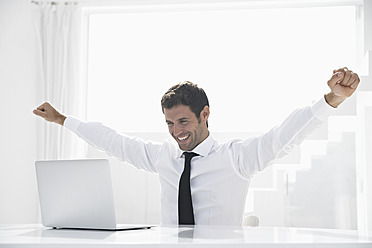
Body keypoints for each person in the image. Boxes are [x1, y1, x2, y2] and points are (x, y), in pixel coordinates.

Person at [33, 67, 360, 226]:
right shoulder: (162, 157)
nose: (176, 132)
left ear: (205, 114)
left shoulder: (235, 157)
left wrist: (331, 100)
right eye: (169, 124)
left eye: (183, 122)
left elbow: (284, 135)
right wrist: (63, 120)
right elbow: (113, 141)